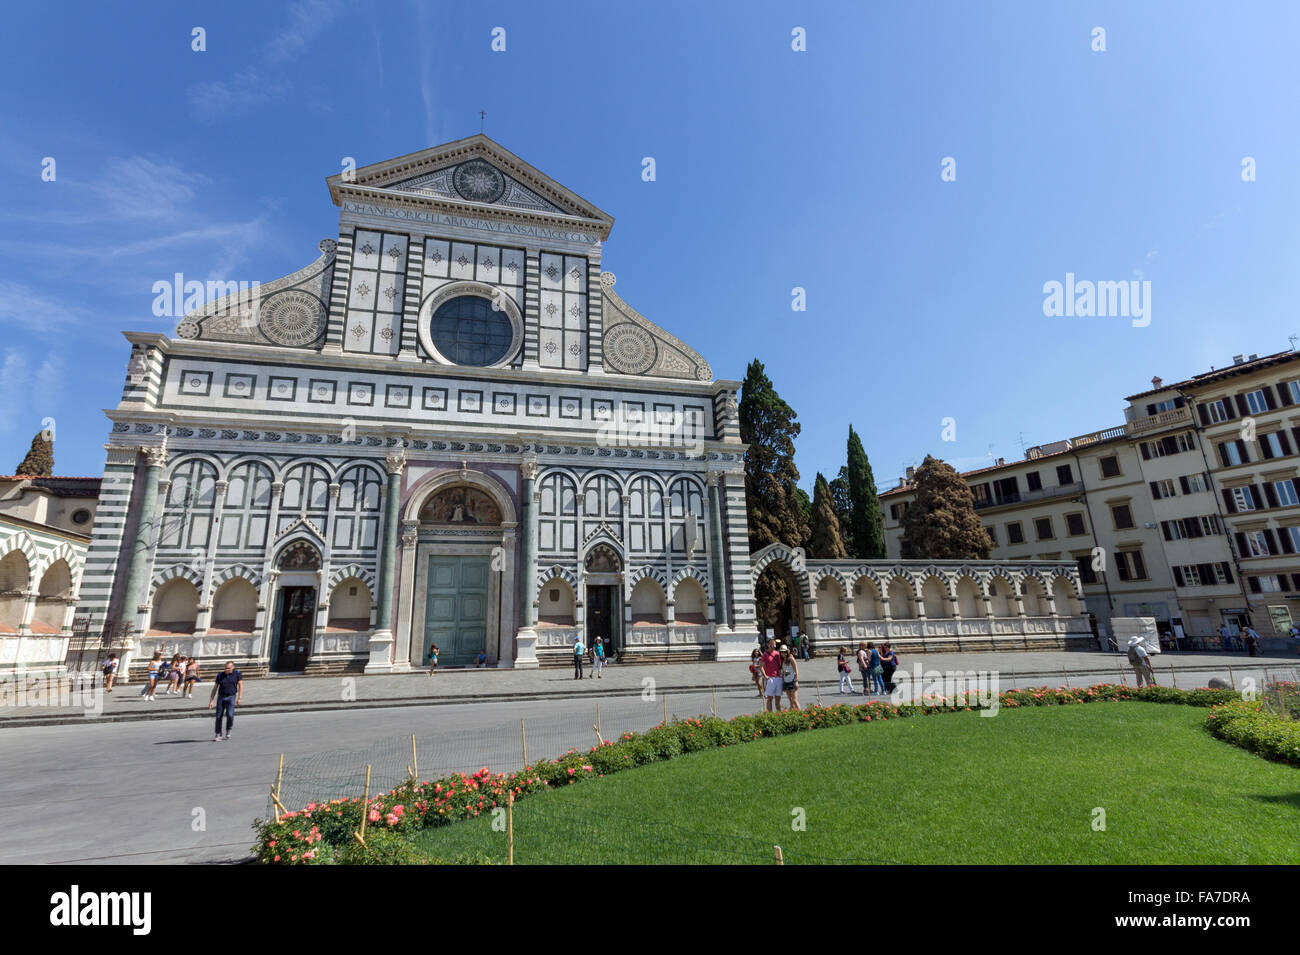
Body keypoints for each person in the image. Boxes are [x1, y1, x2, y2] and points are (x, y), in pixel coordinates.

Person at [207, 661, 243, 741]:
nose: (226, 670)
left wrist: (239, 698)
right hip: (221, 697)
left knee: (230, 715)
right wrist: (211, 701)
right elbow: (215, 688)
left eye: (228, 668)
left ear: (233, 667)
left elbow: (241, 685)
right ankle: (218, 734)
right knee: (218, 716)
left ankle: (228, 730)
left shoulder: (237, 674)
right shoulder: (220, 675)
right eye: (225, 668)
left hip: (231, 697)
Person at [762, 638, 783, 711]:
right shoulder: (765, 654)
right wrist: (765, 676)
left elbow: (781, 665)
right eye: (771, 643)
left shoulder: (777, 654)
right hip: (770, 678)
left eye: (774, 643)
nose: (773, 645)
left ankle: (779, 714)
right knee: (770, 698)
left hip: (778, 677)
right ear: (768, 644)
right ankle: (770, 715)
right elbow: (761, 666)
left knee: (778, 698)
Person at [781, 645, 801, 710]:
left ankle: (801, 714)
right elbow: (785, 672)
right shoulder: (782, 661)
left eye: (784, 652)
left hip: (792, 681)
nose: (783, 653)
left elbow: (796, 670)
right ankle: (793, 714)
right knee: (790, 700)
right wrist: (783, 682)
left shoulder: (791, 659)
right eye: (781, 652)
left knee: (794, 700)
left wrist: (796, 681)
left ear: (787, 652)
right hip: (786, 681)